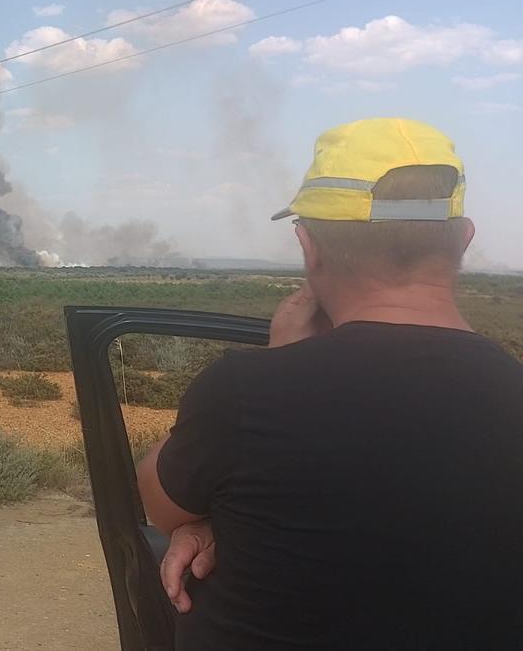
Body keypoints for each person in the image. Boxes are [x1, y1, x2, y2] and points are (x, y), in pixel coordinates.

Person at [137, 118, 523, 648]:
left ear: (308, 245)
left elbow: (160, 505)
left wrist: (281, 362)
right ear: (464, 238)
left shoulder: (246, 393)